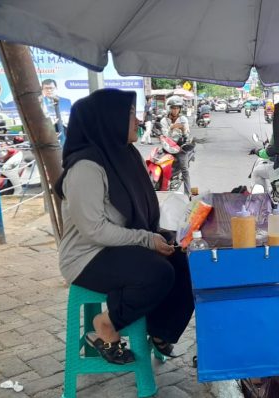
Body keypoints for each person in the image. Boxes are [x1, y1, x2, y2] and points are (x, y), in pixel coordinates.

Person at [55, 88, 194, 364]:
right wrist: (146, 239)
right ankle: (106, 325)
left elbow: (144, 206)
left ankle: (160, 331)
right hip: (87, 257)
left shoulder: (126, 155)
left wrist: (163, 232)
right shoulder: (86, 168)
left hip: (118, 246)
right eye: (129, 114)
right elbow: (94, 230)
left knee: (185, 260)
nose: (137, 120)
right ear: (109, 119)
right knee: (157, 273)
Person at [160, 96, 192, 195]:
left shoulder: (183, 119)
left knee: (184, 170)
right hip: (167, 146)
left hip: (180, 147)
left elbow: (187, 135)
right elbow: (165, 135)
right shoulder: (164, 121)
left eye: (177, 108)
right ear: (169, 108)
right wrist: (171, 128)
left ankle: (188, 193)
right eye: (173, 108)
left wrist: (183, 130)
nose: (175, 110)